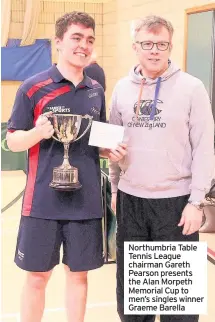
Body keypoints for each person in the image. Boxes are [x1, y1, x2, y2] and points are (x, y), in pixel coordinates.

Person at [6, 11, 127, 322]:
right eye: (76, 38)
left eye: (89, 40)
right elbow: (11, 142)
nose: (83, 45)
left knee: (79, 277)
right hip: (42, 203)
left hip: (85, 203)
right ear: (58, 42)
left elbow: (98, 139)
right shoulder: (33, 87)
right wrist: (36, 133)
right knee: (37, 278)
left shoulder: (96, 90)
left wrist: (110, 150)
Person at [109, 15, 214, 322]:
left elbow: (205, 148)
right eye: (147, 44)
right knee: (134, 304)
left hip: (177, 205)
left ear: (170, 46)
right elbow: (115, 146)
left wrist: (196, 202)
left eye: (161, 44)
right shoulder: (121, 89)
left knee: (176, 307)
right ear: (135, 47)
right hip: (131, 202)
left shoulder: (192, 88)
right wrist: (115, 189)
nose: (154, 51)